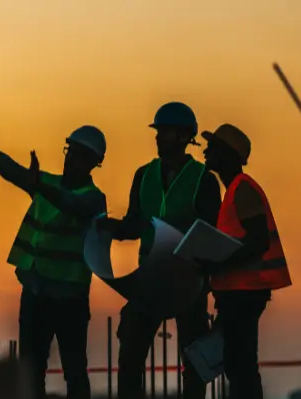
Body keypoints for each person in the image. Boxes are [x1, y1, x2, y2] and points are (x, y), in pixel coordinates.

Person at [0, 109, 107, 399]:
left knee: (74, 372)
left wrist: (39, 184)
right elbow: (11, 170)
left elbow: (72, 205)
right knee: (31, 371)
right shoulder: (47, 183)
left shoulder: (94, 198)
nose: (73, 159)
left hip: (69, 299)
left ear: (94, 163)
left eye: (82, 156)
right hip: (36, 292)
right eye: (71, 152)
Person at [98, 102, 221, 399]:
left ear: (182, 137)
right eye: (158, 131)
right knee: (130, 356)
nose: (157, 137)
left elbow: (211, 235)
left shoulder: (203, 179)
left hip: (188, 282)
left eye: (164, 132)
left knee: (193, 361)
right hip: (150, 280)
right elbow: (134, 225)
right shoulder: (144, 176)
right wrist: (108, 227)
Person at [197, 123, 292, 399]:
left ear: (228, 154)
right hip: (237, 292)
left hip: (245, 293)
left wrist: (219, 263)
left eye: (213, 147)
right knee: (238, 365)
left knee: (241, 366)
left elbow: (258, 241)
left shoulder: (243, 190)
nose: (206, 151)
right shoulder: (234, 191)